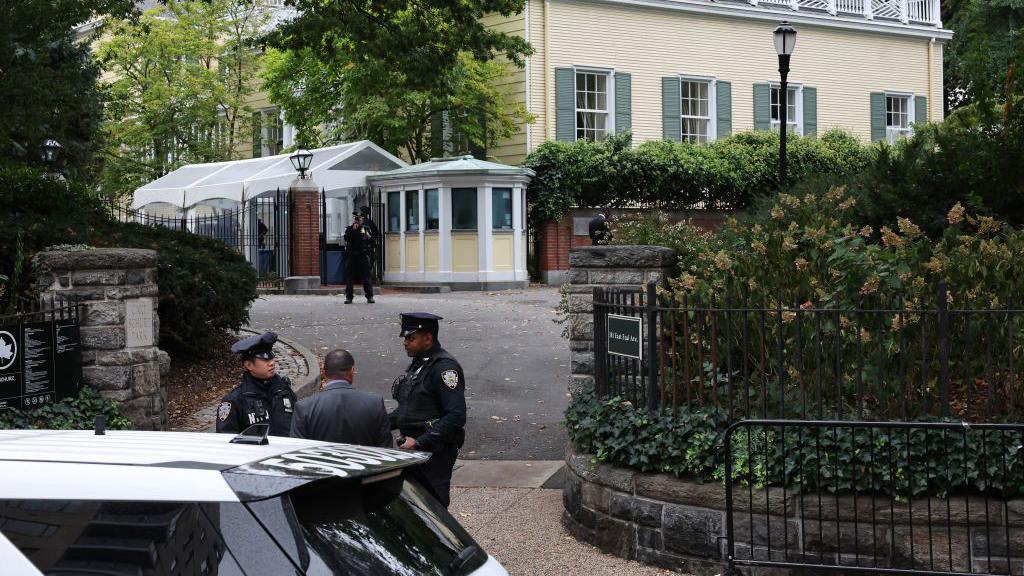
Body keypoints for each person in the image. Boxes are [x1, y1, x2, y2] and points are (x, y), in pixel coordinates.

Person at [389, 312, 467, 507]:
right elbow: (408, 410)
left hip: (434, 451)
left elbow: (456, 416)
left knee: (433, 507)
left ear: (428, 338)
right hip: (413, 449)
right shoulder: (419, 365)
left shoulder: (444, 368)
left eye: (410, 338)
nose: (405, 342)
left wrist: (421, 442)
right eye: (405, 338)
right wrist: (373, 421)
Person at [290, 349, 393, 448]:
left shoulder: (304, 408)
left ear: (323, 372)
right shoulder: (375, 404)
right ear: (352, 371)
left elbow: (297, 450)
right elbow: (385, 448)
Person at [216, 332, 297, 436]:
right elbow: (226, 439)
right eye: (265, 359)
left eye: (271, 357)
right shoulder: (235, 400)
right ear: (248, 365)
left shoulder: (284, 391)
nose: (272, 363)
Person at [343, 211, 375, 304]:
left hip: (363, 255)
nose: (358, 220)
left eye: (359, 219)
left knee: (366, 277)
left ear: (362, 219)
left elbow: (372, 241)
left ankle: (370, 296)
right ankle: (349, 297)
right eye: (356, 218)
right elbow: (346, 238)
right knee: (349, 278)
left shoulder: (365, 229)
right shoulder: (350, 228)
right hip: (352, 255)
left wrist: (367, 235)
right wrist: (353, 230)